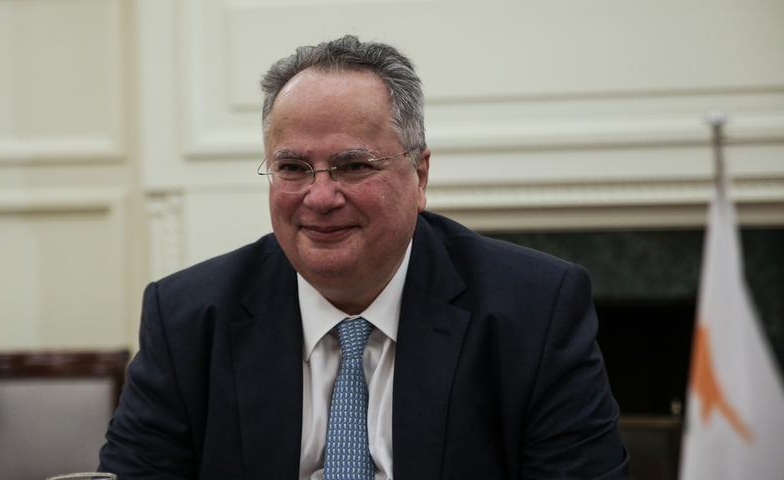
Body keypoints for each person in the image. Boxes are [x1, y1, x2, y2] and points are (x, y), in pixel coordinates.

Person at [99, 35, 629, 479]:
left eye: (353, 166)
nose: (320, 197)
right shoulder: (187, 318)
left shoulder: (534, 311)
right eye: (293, 168)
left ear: (419, 175)